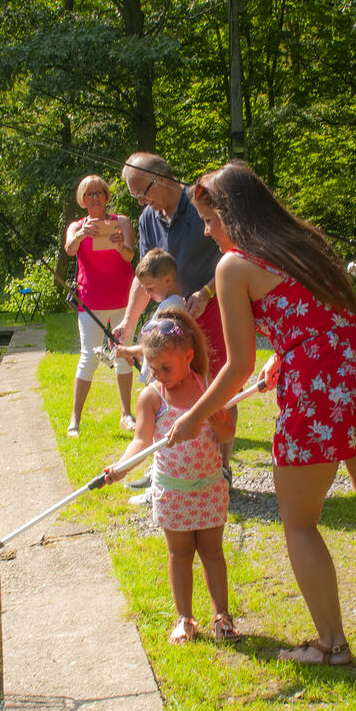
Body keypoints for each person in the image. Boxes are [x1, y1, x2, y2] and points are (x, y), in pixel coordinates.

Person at [168, 161, 356, 664]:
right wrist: (285, 355)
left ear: (231, 212)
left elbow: (236, 366)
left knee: (298, 521)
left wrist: (193, 417)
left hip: (318, 393)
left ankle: (331, 645)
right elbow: (331, 317)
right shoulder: (302, 242)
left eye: (210, 219)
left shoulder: (233, 266)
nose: (207, 232)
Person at [103, 308, 240, 644]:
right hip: (172, 493)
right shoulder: (152, 396)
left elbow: (225, 436)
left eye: (166, 367)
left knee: (212, 553)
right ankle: (185, 618)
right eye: (153, 367)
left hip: (209, 488)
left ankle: (222, 616)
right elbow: (141, 440)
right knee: (179, 555)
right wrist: (121, 467)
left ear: (188, 356)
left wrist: (220, 423)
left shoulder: (207, 389)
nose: (159, 374)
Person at [114, 153, 235, 476]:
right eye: (135, 197)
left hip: (214, 308)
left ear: (164, 179)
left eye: (142, 193)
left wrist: (207, 292)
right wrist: (128, 322)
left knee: (218, 385)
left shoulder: (201, 205)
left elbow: (234, 253)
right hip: (172, 320)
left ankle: (220, 469)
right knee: (168, 384)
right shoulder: (147, 220)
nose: (141, 203)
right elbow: (145, 277)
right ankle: (166, 469)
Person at [63, 175, 137, 437]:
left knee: (124, 356)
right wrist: (81, 235)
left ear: (107, 197)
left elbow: (130, 254)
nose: (94, 198)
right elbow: (69, 250)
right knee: (88, 358)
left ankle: (126, 414)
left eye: (99, 193)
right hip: (90, 301)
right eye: (89, 194)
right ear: (83, 200)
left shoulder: (122, 221)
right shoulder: (77, 226)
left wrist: (119, 245)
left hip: (122, 300)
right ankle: (75, 419)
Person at [113, 248, 188, 504]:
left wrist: (127, 350)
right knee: (157, 436)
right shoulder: (169, 303)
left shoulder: (172, 308)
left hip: (162, 383)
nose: (146, 293)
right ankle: (156, 483)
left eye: (149, 287)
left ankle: (157, 489)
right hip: (158, 379)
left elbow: (156, 347)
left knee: (156, 437)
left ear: (168, 279)